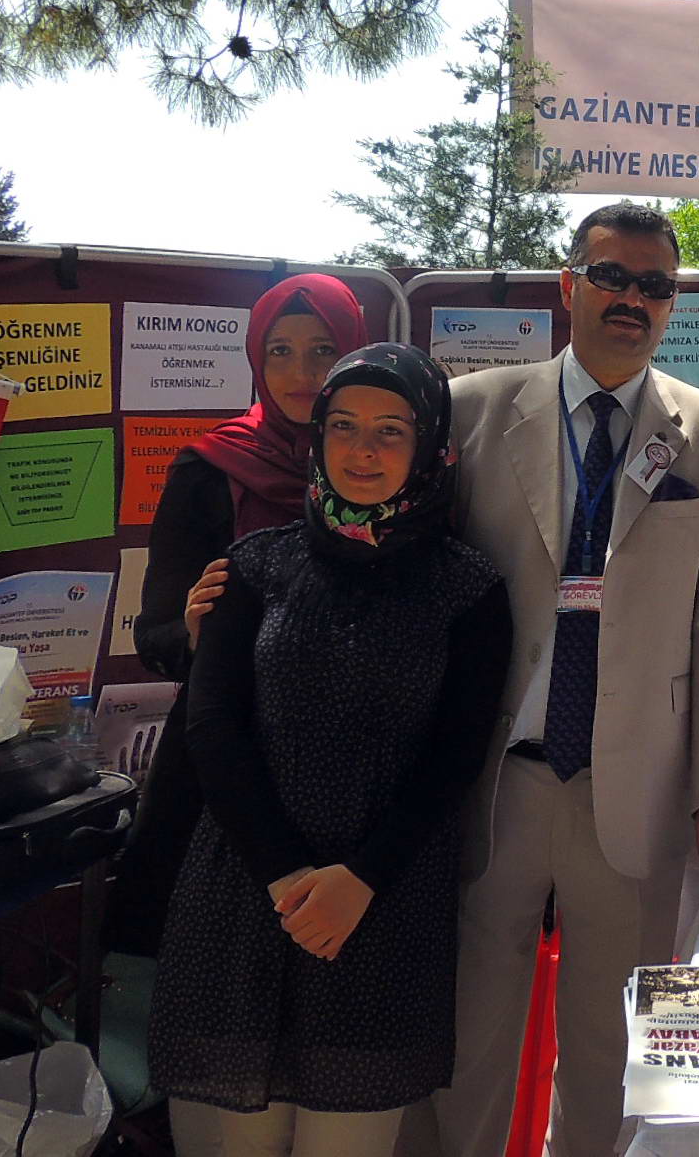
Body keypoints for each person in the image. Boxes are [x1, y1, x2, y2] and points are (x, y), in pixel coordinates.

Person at [403, 203, 699, 1157]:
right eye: (612, 276)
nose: (632, 299)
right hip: (496, 779)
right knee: (468, 1039)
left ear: (672, 304)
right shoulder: (473, 409)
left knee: (623, 1051)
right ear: (569, 285)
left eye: (655, 286)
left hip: (640, 787)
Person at [149, 343, 513, 1157]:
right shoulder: (254, 567)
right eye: (343, 426)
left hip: (379, 913)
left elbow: (456, 755)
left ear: (430, 447)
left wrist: (360, 880)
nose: (363, 450)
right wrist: (286, 877)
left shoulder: (469, 588)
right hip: (245, 898)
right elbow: (214, 728)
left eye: (391, 431)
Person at [109, 273, 369, 957]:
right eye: (280, 352)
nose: (301, 373)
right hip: (226, 761)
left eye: (323, 350)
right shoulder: (210, 468)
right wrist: (194, 633)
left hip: (353, 760)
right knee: (211, 967)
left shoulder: (390, 466)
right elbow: (155, 635)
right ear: (255, 358)